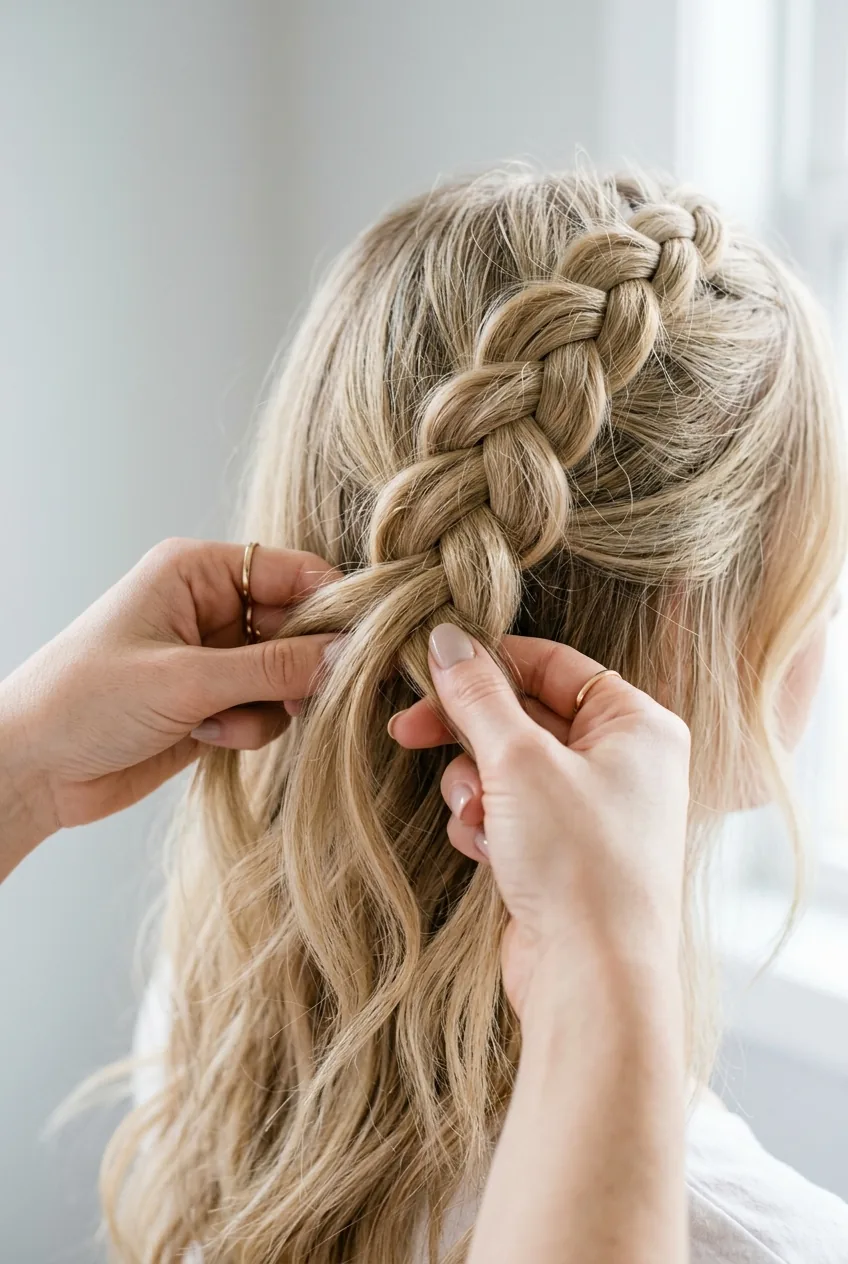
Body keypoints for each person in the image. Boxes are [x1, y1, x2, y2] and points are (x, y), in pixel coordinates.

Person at [5, 163, 848, 1262]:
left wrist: (19, 766)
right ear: (694, 632)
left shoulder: (222, 1024)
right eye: (822, 579)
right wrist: (612, 959)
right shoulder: (753, 1240)